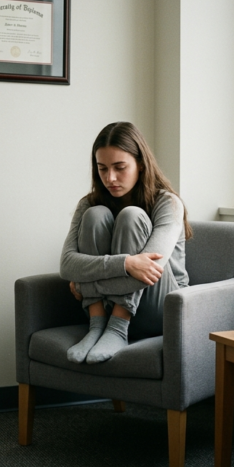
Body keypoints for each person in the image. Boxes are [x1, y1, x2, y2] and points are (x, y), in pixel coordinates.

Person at [60, 121, 191, 364]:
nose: (110, 178)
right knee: (95, 215)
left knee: (132, 216)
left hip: (160, 306)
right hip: (105, 308)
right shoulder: (88, 203)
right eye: (102, 168)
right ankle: (97, 325)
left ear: (140, 163)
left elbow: (149, 270)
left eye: (120, 167)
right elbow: (67, 265)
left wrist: (84, 281)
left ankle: (118, 328)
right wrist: (127, 263)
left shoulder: (168, 203)